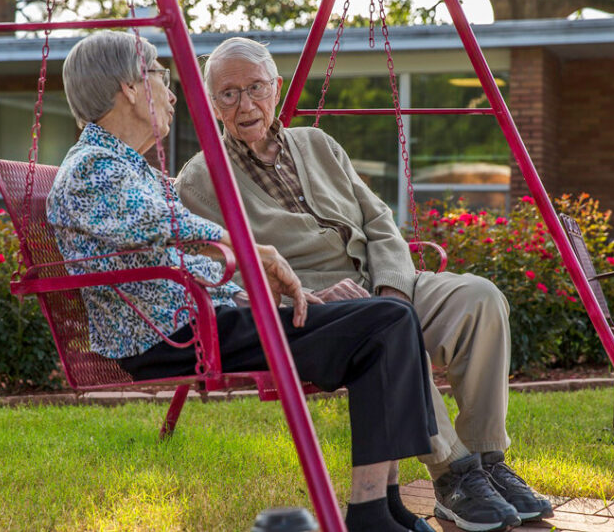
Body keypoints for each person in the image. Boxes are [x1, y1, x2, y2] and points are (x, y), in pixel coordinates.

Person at [46, 31, 440, 532]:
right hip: (176, 335)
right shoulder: (93, 169)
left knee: (389, 319)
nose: (170, 95)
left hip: (208, 319)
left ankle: (384, 508)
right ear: (130, 87)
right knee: (383, 322)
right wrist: (255, 252)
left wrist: (267, 287)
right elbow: (166, 227)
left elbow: (176, 243)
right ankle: (369, 515)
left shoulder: (125, 167)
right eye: (162, 79)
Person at [176, 37, 555, 532]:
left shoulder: (317, 144)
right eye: (228, 94)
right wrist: (302, 293)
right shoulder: (201, 179)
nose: (245, 104)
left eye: (255, 88)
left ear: (277, 88)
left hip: (381, 282)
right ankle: (454, 476)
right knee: (389, 330)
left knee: (479, 297)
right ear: (210, 103)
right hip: (316, 307)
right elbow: (222, 269)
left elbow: (379, 221)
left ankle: (487, 461)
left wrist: (394, 287)